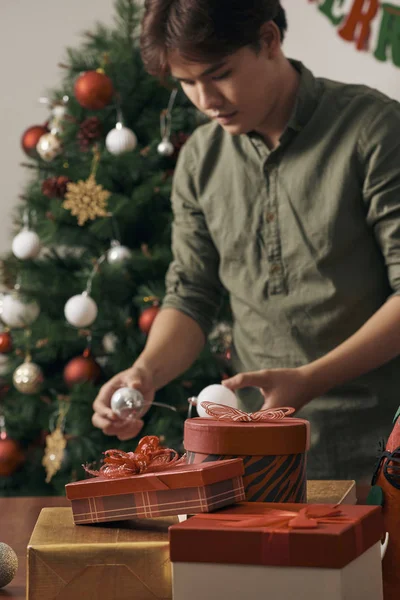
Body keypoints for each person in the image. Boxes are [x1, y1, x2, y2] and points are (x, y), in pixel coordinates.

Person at [92, 0, 400, 481]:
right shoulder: (200, 160)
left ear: (270, 40)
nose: (205, 99)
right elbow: (192, 294)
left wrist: (309, 380)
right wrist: (146, 373)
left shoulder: (374, 130)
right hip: (260, 457)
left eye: (219, 73)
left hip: (385, 447)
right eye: (187, 83)